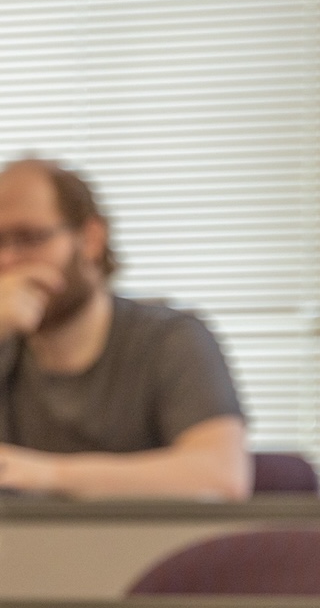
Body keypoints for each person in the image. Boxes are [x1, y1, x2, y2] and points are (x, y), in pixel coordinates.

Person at [0, 158, 250, 498]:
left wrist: (46, 474)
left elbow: (221, 476)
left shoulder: (170, 341)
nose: (8, 261)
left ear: (90, 239)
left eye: (29, 238)